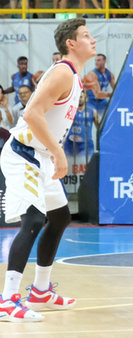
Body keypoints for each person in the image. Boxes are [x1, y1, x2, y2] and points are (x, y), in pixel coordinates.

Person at [0, 19, 95, 322]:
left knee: (61, 217)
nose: (92, 40)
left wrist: (53, 152)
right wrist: (58, 152)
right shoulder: (63, 72)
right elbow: (30, 113)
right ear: (71, 43)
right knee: (34, 219)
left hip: (41, 156)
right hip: (24, 154)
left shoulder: (73, 75)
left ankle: (40, 290)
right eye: (85, 35)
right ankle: (8, 298)